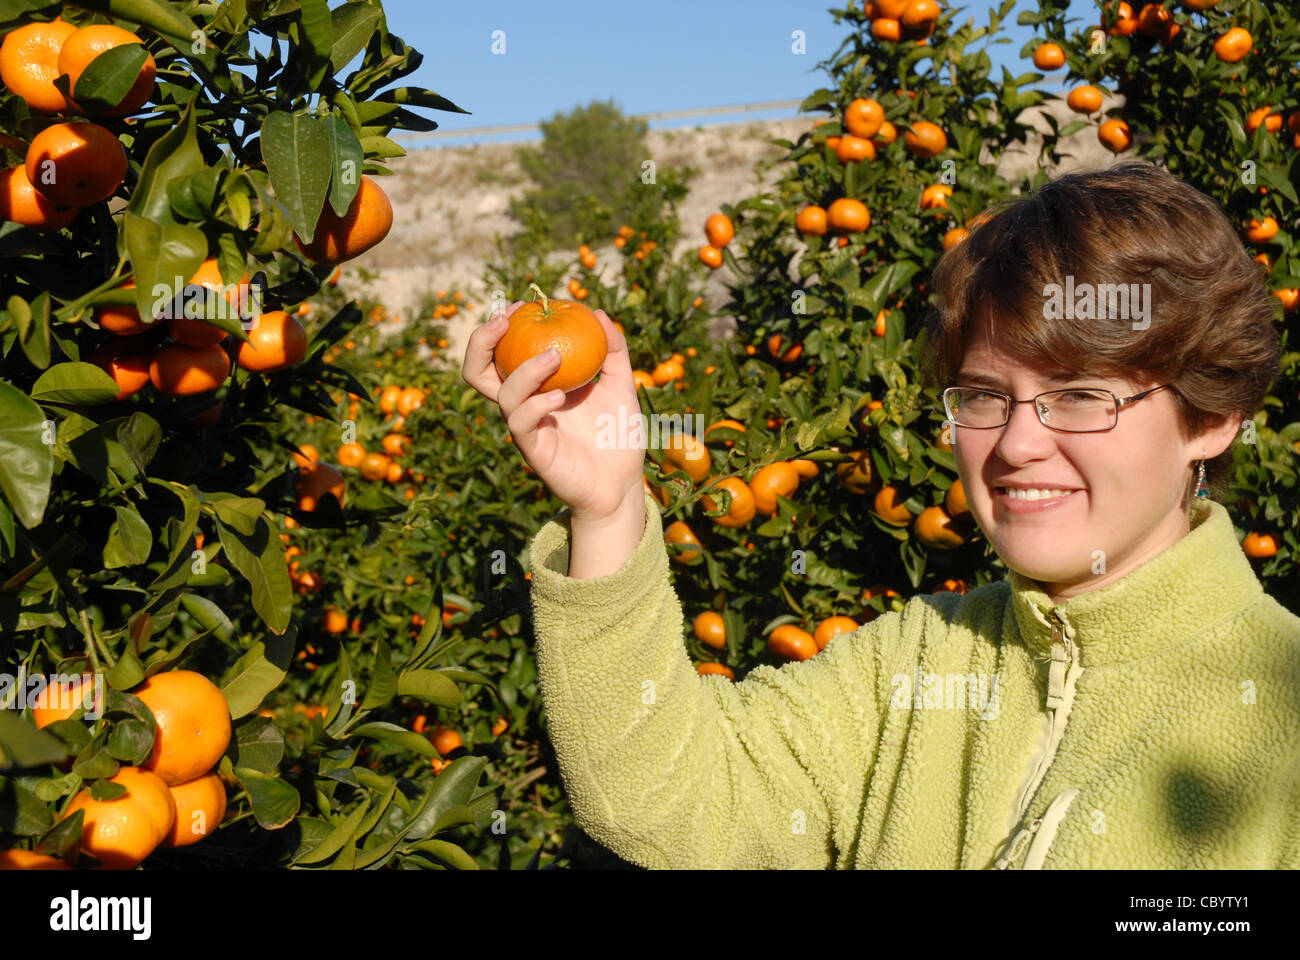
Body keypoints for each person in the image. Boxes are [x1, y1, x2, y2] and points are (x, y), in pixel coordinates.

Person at [460, 161, 1300, 869]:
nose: (1016, 446)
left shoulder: (1282, 718)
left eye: (1080, 397)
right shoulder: (918, 659)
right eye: (984, 396)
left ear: (1213, 414)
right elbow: (663, 802)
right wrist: (607, 511)